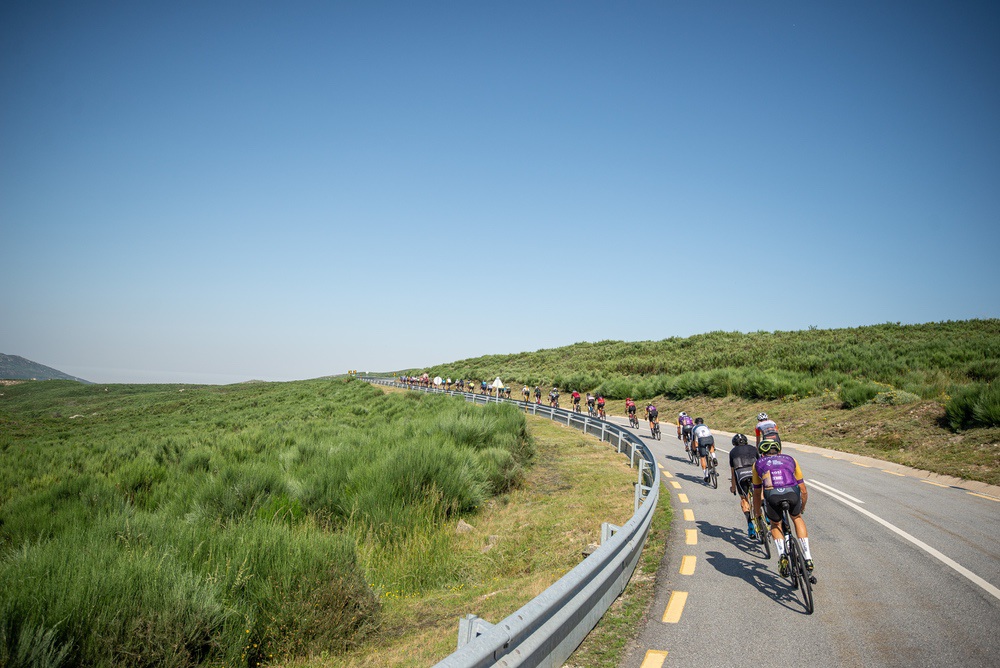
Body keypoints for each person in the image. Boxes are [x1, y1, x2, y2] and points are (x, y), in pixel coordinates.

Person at [752, 438, 814, 575]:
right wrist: (802, 506)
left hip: (772, 495)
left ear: (762, 453)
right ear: (779, 451)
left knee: (775, 524)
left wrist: (757, 512)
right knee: (797, 518)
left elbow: (756, 492)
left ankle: (782, 555)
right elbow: (803, 490)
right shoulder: (791, 459)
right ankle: (808, 557)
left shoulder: (758, 464)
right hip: (792, 492)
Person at [729, 433, 760, 538]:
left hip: (741, 474)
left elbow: (733, 472)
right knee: (760, 493)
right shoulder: (753, 448)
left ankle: (750, 525)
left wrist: (733, 487)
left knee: (744, 499)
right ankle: (765, 513)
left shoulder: (732, 452)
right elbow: (760, 463)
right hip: (754, 472)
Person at [691, 417, 716, 482]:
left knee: (702, 457)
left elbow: (693, 440)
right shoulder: (705, 426)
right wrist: (713, 447)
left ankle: (706, 475)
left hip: (702, 440)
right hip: (710, 438)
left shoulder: (694, 428)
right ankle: (714, 457)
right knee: (711, 447)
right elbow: (710, 435)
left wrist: (694, 450)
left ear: (695, 423)